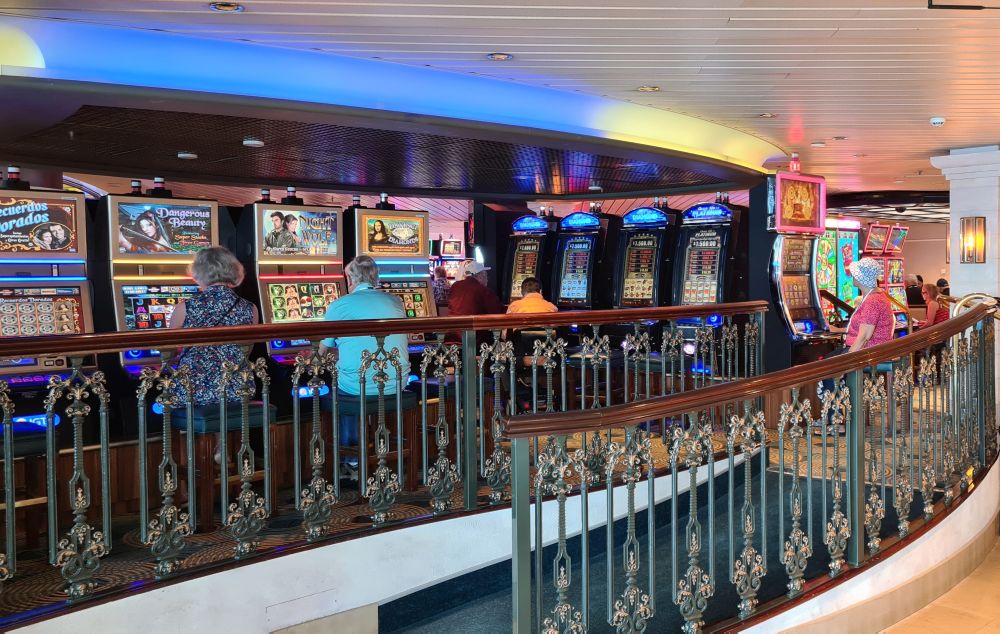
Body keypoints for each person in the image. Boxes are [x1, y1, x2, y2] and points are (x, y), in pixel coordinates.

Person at [320, 255, 410, 476]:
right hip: (397, 382)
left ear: (350, 278)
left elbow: (320, 351)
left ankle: (352, 459)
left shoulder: (339, 305)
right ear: (375, 277)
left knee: (345, 386)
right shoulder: (395, 301)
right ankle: (385, 445)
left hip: (358, 386)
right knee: (358, 379)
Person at [168, 247, 258, 464]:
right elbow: (247, 349)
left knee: (167, 398)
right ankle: (221, 445)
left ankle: (192, 462)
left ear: (198, 273)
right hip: (238, 387)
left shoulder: (185, 308)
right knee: (222, 396)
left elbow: (168, 352)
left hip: (194, 388)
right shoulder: (249, 308)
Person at [828, 258, 896, 352]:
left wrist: (847, 361)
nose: (852, 276)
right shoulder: (874, 295)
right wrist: (837, 330)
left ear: (861, 278)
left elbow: (864, 337)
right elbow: (861, 328)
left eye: (855, 274)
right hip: (868, 350)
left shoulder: (873, 301)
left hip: (868, 353)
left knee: (819, 364)